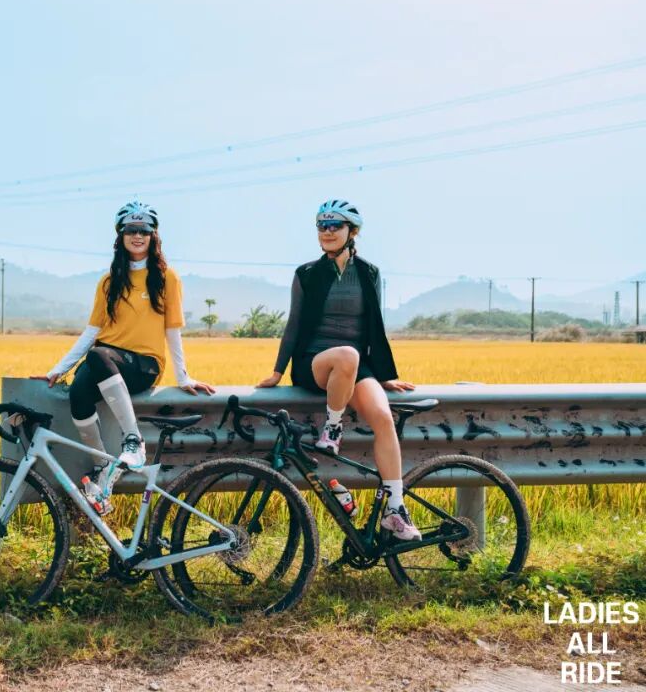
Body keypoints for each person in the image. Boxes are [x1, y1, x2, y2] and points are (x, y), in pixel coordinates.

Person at [32, 201, 215, 514]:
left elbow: (172, 330)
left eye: (144, 230)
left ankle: (134, 442)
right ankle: (102, 467)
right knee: (78, 391)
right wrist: (58, 370)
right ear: (121, 236)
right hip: (105, 361)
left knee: (98, 356)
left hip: (143, 365)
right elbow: (92, 331)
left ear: (153, 236)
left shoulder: (166, 277)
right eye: (131, 230)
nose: (137, 236)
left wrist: (183, 376)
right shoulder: (108, 281)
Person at [256, 200, 421, 540]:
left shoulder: (369, 273)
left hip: (355, 365)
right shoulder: (306, 273)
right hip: (314, 362)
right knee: (346, 354)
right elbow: (293, 323)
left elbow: (375, 324)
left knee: (383, 417)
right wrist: (277, 372)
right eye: (322, 226)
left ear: (352, 231)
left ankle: (395, 508)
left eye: (335, 226)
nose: (327, 231)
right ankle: (332, 428)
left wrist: (385, 376)